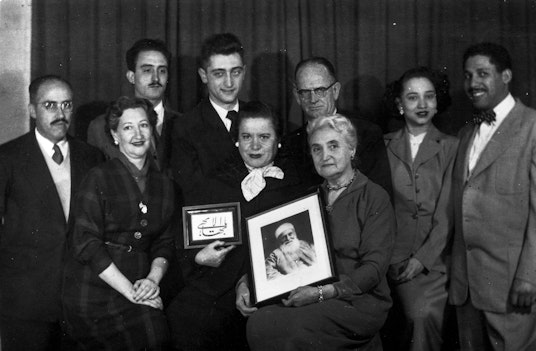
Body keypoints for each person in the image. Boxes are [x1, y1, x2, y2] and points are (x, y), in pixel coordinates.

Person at [240, 114, 395, 350]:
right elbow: (271, 258)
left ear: (352, 149)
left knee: (293, 330)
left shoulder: (373, 197)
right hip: (311, 293)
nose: (325, 156)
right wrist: (245, 283)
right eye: (316, 149)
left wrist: (322, 293)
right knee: (258, 324)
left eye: (333, 146)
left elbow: (374, 269)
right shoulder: (310, 199)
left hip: (358, 300)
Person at [167, 101, 310, 351]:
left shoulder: (295, 186)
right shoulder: (215, 183)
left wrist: (249, 281)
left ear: (278, 141)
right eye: (247, 137)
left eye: (264, 137)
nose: (255, 146)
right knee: (183, 318)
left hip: (277, 282)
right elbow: (188, 241)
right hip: (220, 283)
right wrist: (198, 257)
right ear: (237, 141)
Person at [62, 97, 175, 350]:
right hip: (95, 292)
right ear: (115, 136)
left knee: (157, 335)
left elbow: (165, 243)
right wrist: (132, 294)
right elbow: (86, 243)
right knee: (152, 334)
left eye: (144, 126)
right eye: (127, 127)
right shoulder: (98, 177)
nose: (137, 134)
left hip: (141, 283)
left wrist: (152, 282)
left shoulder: (165, 185)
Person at [0, 75, 103, 350]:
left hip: (81, 301)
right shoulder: (7, 158)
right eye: (50, 105)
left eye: (67, 105)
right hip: (25, 304)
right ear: (33, 110)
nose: (60, 114)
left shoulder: (92, 157)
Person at [449, 42, 536, 350]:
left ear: (507, 76)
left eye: (483, 74)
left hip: (513, 284)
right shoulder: (465, 133)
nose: (473, 83)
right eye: (468, 75)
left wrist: (530, 276)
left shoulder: (532, 127)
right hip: (466, 285)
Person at [383, 67, 457, 351]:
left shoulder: (453, 147)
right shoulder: (383, 145)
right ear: (400, 105)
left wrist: (422, 260)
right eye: (413, 98)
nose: (422, 104)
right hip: (390, 259)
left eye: (429, 97)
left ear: (437, 102)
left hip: (435, 263)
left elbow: (448, 213)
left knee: (421, 317)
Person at [280, 57, 392, 196]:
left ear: (335, 90)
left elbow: (380, 196)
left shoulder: (367, 134)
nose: (313, 99)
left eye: (320, 90)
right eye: (305, 92)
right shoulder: (289, 144)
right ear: (297, 96)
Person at [170, 33, 247, 202]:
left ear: (244, 72)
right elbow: (193, 192)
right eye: (219, 74)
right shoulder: (185, 127)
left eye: (235, 72)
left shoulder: (261, 117)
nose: (229, 83)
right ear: (204, 75)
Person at [87, 38, 180, 173]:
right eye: (147, 70)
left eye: (162, 71)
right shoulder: (100, 127)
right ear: (131, 76)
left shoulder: (186, 124)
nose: (156, 79)